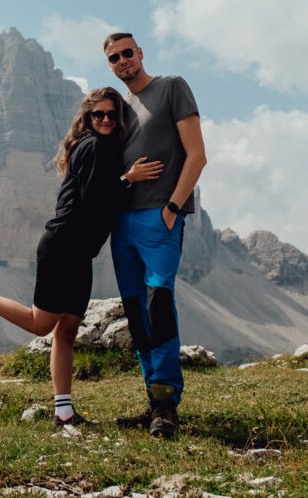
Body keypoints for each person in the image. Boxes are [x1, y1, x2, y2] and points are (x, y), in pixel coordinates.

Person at [0, 87, 162, 426]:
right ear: (87, 118)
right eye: (96, 114)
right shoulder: (93, 146)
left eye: (111, 115)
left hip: (80, 251)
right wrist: (128, 179)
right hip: (63, 245)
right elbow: (93, 198)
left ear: (118, 119)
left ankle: (64, 413)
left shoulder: (103, 147)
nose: (104, 119)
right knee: (41, 325)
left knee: (68, 330)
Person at [102, 32, 206, 438]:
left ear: (140, 53)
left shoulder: (172, 87)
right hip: (122, 223)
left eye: (128, 53)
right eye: (114, 57)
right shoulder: (119, 109)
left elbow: (197, 155)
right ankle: (153, 403)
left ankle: (167, 407)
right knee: (136, 313)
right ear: (109, 65)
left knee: (158, 305)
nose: (123, 60)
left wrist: (173, 209)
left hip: (159, 219)